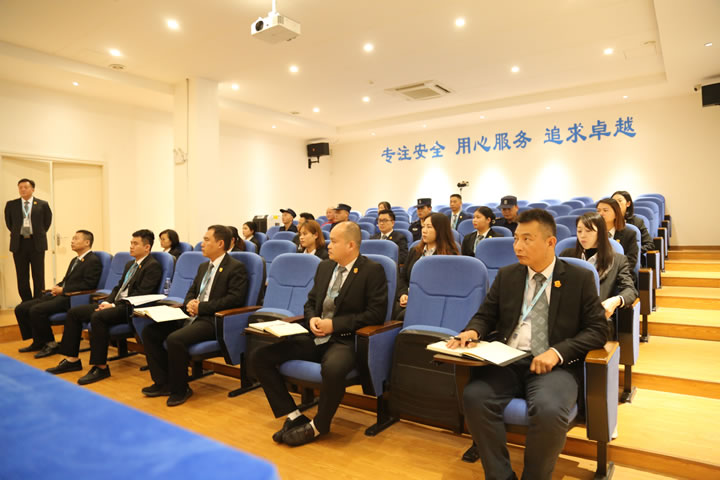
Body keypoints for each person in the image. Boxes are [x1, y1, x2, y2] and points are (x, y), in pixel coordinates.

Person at [448, 209, 607, 479]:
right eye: (516, 239)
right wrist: (473, 331)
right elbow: (486, 315)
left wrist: (557, 352)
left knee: (549, 411)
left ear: (550, 242)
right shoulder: (508, 275)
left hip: (553, 365)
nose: (517, 246)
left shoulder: (578, 278)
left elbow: (599, 330)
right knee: (474, 397)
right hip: (508, 360)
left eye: (526, 239)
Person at [251, 222, 387, 446]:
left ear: (351, 245)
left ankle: (319, 426)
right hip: (315, 336)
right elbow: (310, 302)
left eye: (334, 241)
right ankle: (294, 416)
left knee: (333, 369)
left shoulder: (372, 270)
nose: (329, 246)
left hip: (345, 340)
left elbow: (375, 314)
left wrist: (335, 325)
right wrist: (312, 318)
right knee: (261, 356)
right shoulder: (325, 267)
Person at [141, 225, 248, 406]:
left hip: (212, 319)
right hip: (192, 314)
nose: (202, 244)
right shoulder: (203, 266)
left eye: (207, 240)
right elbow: (192, 291)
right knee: (150, 332)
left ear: (220, 244)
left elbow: (234, 299)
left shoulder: (235, 267)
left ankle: (180, 389)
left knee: (175, 339)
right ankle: (163, 383)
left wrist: (202, 308)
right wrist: (190, 303)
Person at [47, 230, 163, 383]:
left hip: (129, 308)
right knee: (74, 313)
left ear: (147, 247)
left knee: (98, 317)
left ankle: (101, 368)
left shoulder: (153, 266)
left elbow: (141, 295)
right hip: (116, 304)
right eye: (131, 243)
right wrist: (107, 302)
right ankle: (72, 360)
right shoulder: (131, 264)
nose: (131, 246)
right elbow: (118, 288)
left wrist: (114, 305)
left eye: (135, 244)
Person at [15, 230, 102, 355]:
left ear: (87, 242)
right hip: (61, 294)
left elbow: (89, 284)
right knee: (21, 308)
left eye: (76, 238)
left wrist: (64, 290)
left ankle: (51, 344)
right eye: (72, 238)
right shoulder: (75, 260)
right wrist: (58, 286)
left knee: (36, 310)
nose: (72, 241)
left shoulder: (93, 260)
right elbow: (67, 280)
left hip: (72, 298)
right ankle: (38, 341)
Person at [560, 212, 637, 323]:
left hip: (595, 319)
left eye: (588, 231)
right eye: (579, 231)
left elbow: (630, 290)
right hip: (565, 316)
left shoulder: (618, 260)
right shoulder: (566, 255)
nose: (582, 235)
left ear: (601, 233)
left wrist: (615, 301)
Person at [396, 213, 458, 319]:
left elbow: (444, 287)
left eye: (429, 227)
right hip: (408, 299)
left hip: (431, 303)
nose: (424, 231)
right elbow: (403, 278)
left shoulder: (450, 256)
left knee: (402, 316)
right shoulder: (415, 251)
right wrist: (403, 294)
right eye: (423, 226)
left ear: (440, 230)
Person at [4, 178, 53, 301]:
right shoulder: (11, 205)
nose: (22, 189)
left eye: (25, 187)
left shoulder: (42, 204)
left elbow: (47, 222)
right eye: (20, 187)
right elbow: (9, 224)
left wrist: (38, 233)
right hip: (19, 243)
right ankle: (26, 301)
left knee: (38, 275)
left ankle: (38, 301)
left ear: (33, 189)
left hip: (36, 243)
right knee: (22, 275)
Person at [596, 198, 639, 275]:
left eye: (605, 210)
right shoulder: (593, 234)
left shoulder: (629, 234)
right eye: (598, 211)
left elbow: (630, 262)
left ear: (616, 214)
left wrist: (612, 276)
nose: (601, 214)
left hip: (621, 275)